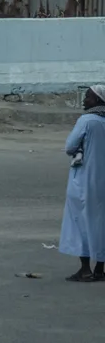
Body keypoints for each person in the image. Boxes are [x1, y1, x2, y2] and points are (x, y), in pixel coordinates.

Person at [60, 85, 105, 282]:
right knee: (101, 222)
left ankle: (85, 270)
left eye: (88, 97)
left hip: (84, 179)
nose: (84, 100)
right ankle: (100, 270)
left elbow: (70, 147)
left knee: (80, 221)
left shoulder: (87, 120)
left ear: (97, 100)